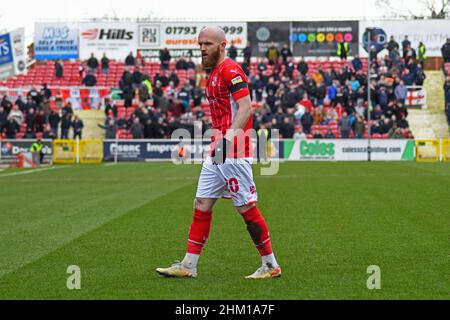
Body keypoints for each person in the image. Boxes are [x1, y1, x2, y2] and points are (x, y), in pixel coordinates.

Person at [156, 26, 281, 280]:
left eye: (208, 44)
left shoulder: (231, 70)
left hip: (233, 150)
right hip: (218, 149)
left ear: (222, 46)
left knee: (246, 207)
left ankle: (270, 265)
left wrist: (226, 140)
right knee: (201, 203)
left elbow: (246, 109)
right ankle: (188, 265)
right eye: (200, 44)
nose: (202, 48)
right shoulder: (213, 74)